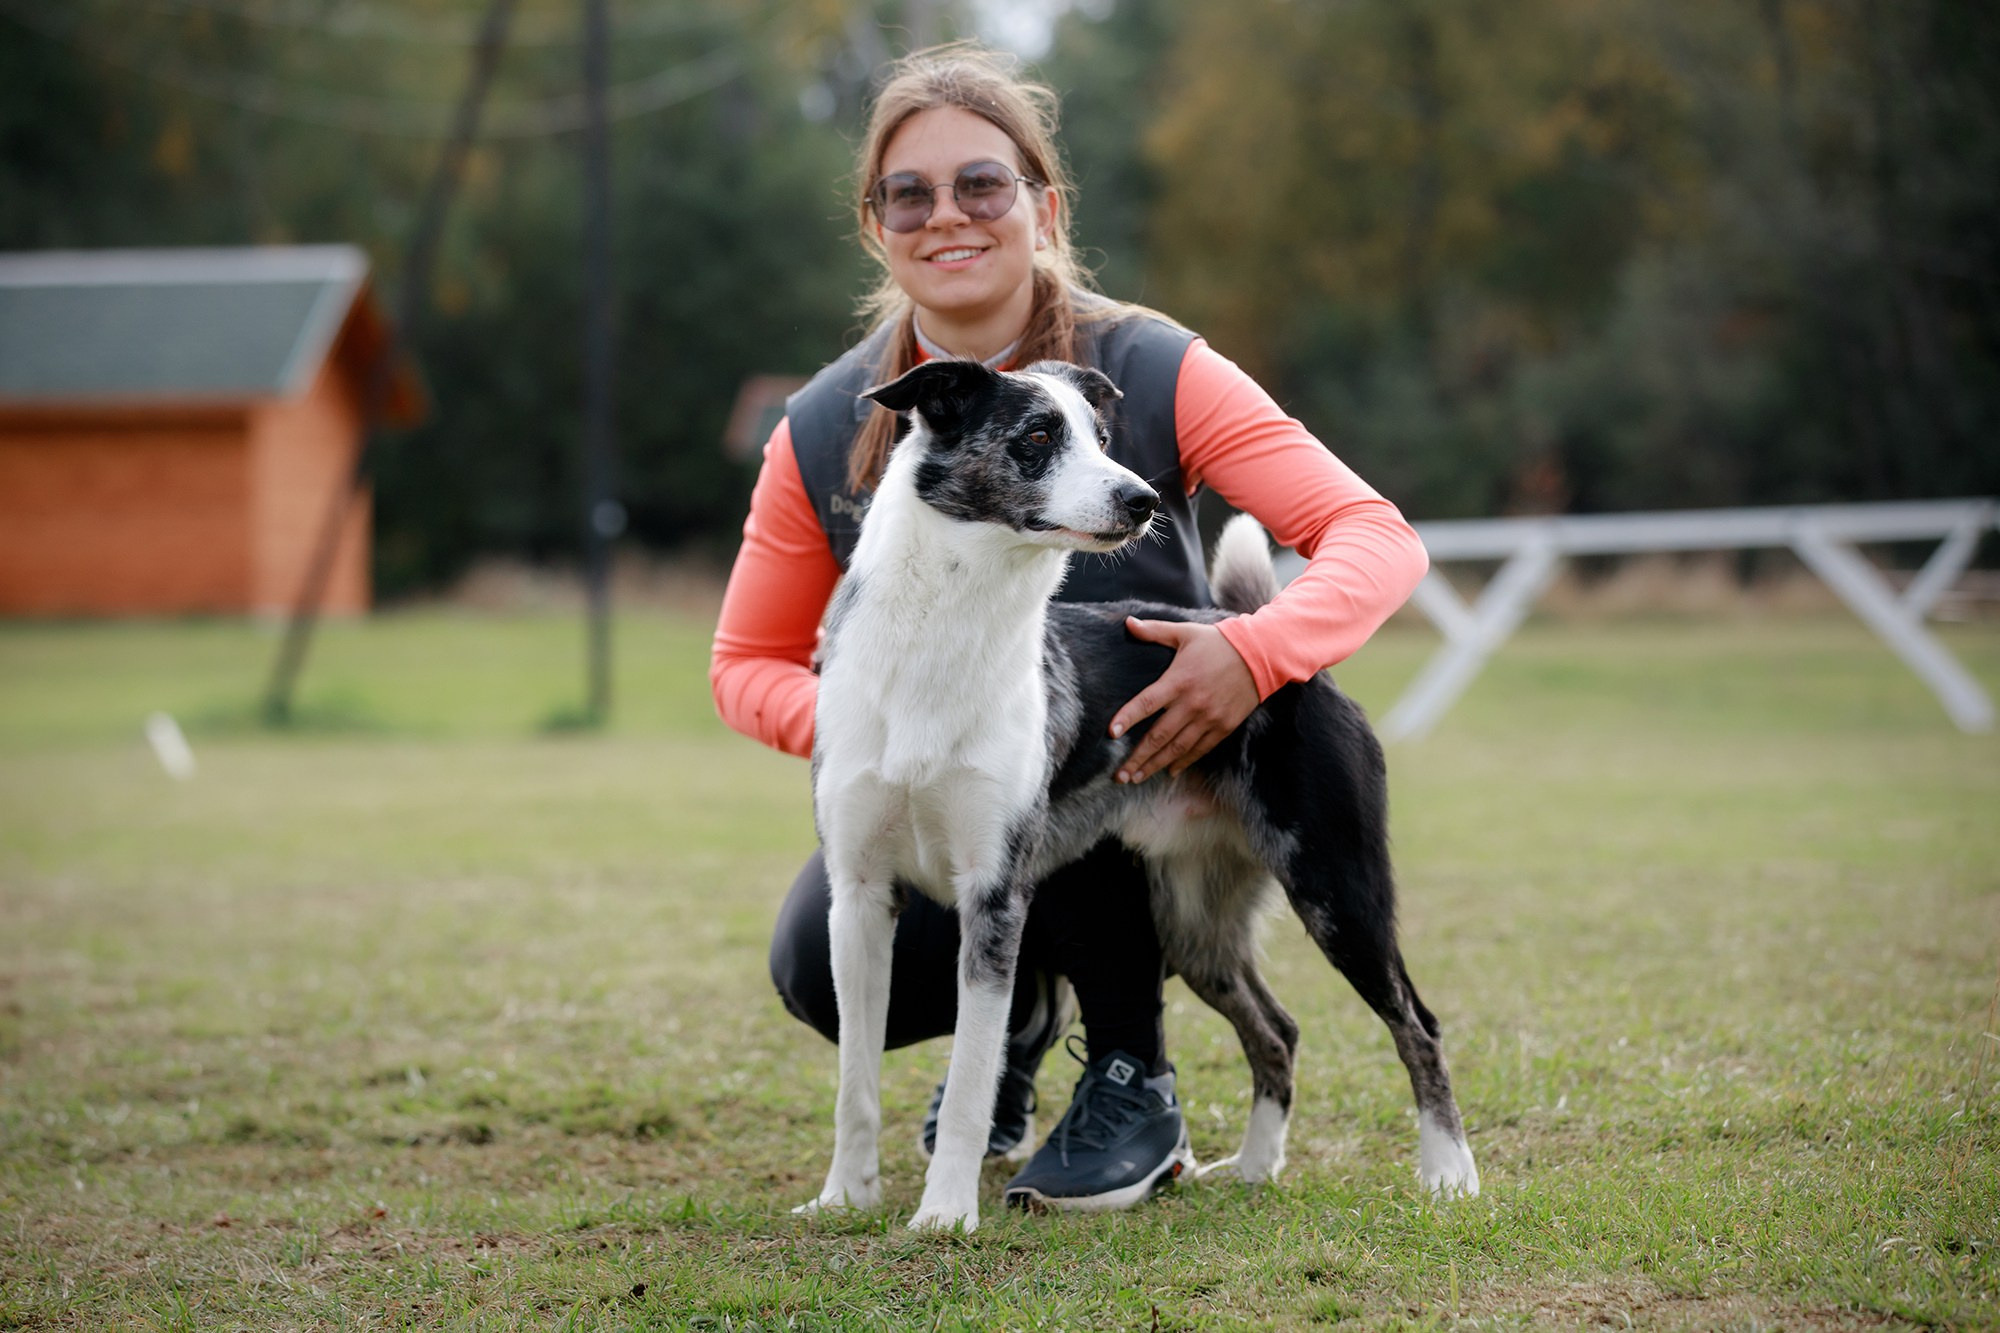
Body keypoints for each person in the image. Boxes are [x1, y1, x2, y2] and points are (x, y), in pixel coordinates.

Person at [709, 43, 1428, 1212]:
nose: (947, 215)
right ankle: (1015, 1032)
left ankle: (1131, 1075)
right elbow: (742, 666)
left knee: (1071, 768)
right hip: (940, 779)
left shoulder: (1151, 364)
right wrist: (873, 725)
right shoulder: (819, 424)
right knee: (817, 956)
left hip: (1137, 768)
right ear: (875, 227)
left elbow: (1374, 536)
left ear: (1042, 206)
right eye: (910, 193)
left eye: (981, 184)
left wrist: (1250, 656)